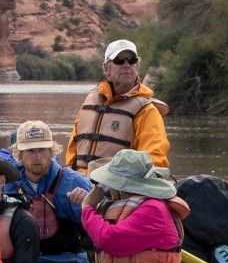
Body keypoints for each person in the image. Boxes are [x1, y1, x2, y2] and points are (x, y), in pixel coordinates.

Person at [70, 148, 190, 263]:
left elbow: (110, 239)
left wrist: (87, 207)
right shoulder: (122, 207)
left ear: (122, 186)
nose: (108, 188)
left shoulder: (153, 209)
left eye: (109, 183)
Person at [5, 120, 95, 263]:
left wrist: (88, 204)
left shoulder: (76, 182)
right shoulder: (6, 182)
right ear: (19, 154)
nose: (37, 156)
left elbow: (104, 223)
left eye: (42, 150)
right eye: (30, 151)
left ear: (51, 152)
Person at [64, 39, 170, 174]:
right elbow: (72, 150)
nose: (126, 65)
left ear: (137, 67)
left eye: (132, 61)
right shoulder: (91, 101)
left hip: (118, 186)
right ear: (106, 69)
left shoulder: (146, 111)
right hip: (79, 183)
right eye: (119, 61)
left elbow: (155, 159)